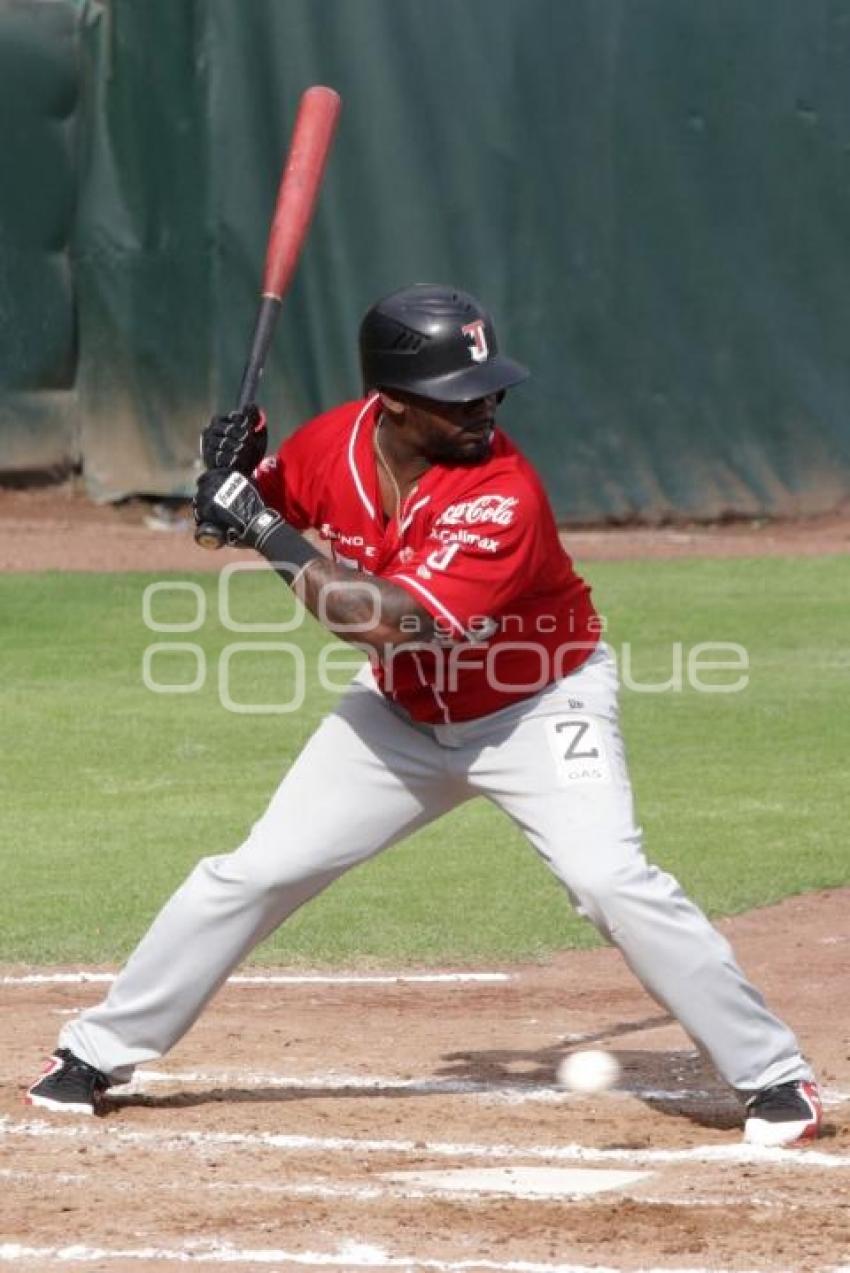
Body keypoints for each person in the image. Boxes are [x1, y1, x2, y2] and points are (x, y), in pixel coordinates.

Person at [27, 284, 821, 1146]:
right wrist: (226, 478)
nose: (484, 408)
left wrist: (258, 525)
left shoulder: (502, 492)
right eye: (459, 398)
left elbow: (381, 621)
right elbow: (241, 518)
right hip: (401, 716)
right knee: (254, 870)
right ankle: (97, 1050)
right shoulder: (333, 444)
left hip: (537, 706)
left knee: (609, 881)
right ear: (393, 404)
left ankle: (773, 1074)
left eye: (490, 389)